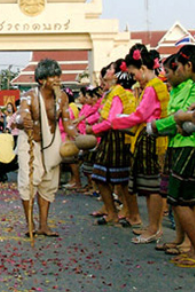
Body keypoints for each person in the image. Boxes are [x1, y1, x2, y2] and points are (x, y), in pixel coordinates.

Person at [157, 45, 195, 266]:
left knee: (185, 200)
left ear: (188, 65)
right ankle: (191, 246)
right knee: (184, 200)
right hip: (181, 143)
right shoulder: (193, 85)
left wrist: (181, 119)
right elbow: (181, 115)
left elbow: (192, 118)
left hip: (193, 145)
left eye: (177, 67)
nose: (175, 72)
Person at [110, 44, 169, 244]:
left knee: (152, 187)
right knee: (150, 185)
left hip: (150, 139)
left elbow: (140, 115)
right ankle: (154, 226)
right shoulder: (153, 86)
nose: (133, 77)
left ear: (143, 69)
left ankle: (154, 227)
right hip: (150, 137)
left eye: (134, 73)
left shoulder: (152, 88)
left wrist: (117, 121)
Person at [16, 58, 76, 237]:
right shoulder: (30, 96)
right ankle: (30, 223)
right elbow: (20, 118)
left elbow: (67, 123)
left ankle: (43, 224)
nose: (57, 80)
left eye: (58, 75)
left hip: (52, 142)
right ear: (42, 80)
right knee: (27, 181)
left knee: (49, 183)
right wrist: (22, 122)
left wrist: (78, 137)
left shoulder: (62, 97)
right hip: (30, 142)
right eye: (53, 77)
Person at [87, 59, 138, 227]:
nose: (106, 72)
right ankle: (122, 213)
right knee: (118, 180)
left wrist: (92, 130)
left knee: (107, 178)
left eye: (109, 69)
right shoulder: (117, 92)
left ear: (116, 76)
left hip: (116, 137)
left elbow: (110, 121)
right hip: (117, 137)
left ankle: (120, 213)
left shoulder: (118, 93)